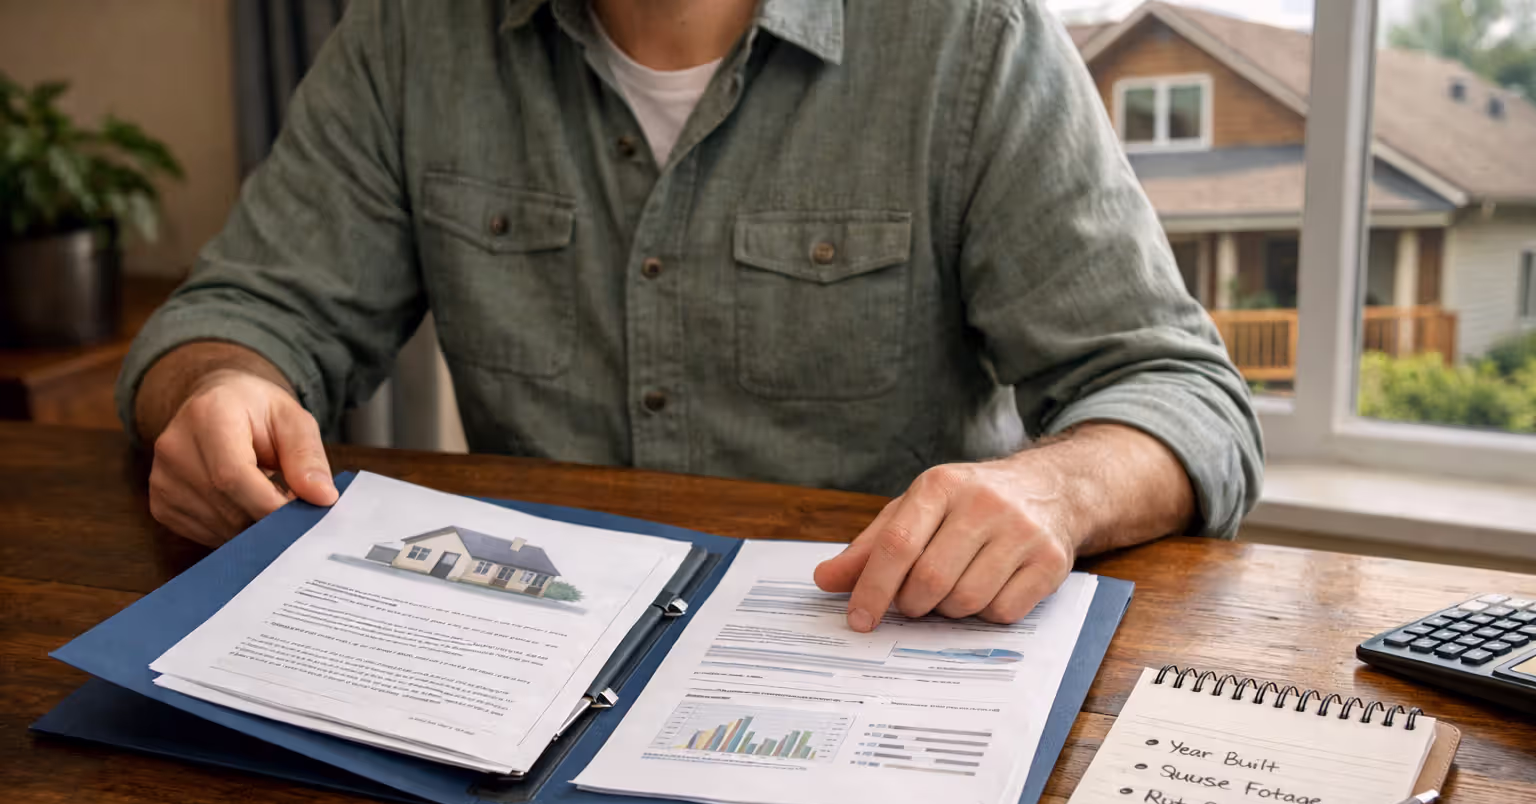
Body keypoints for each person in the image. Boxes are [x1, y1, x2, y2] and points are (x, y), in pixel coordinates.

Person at [122, 0, 1263, 633]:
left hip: (870, 666)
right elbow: (244, 312)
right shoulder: (411, 37)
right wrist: (223, 386)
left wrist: (1051, 490)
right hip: (513, 660)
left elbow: (1182, 395)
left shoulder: (972, 36)